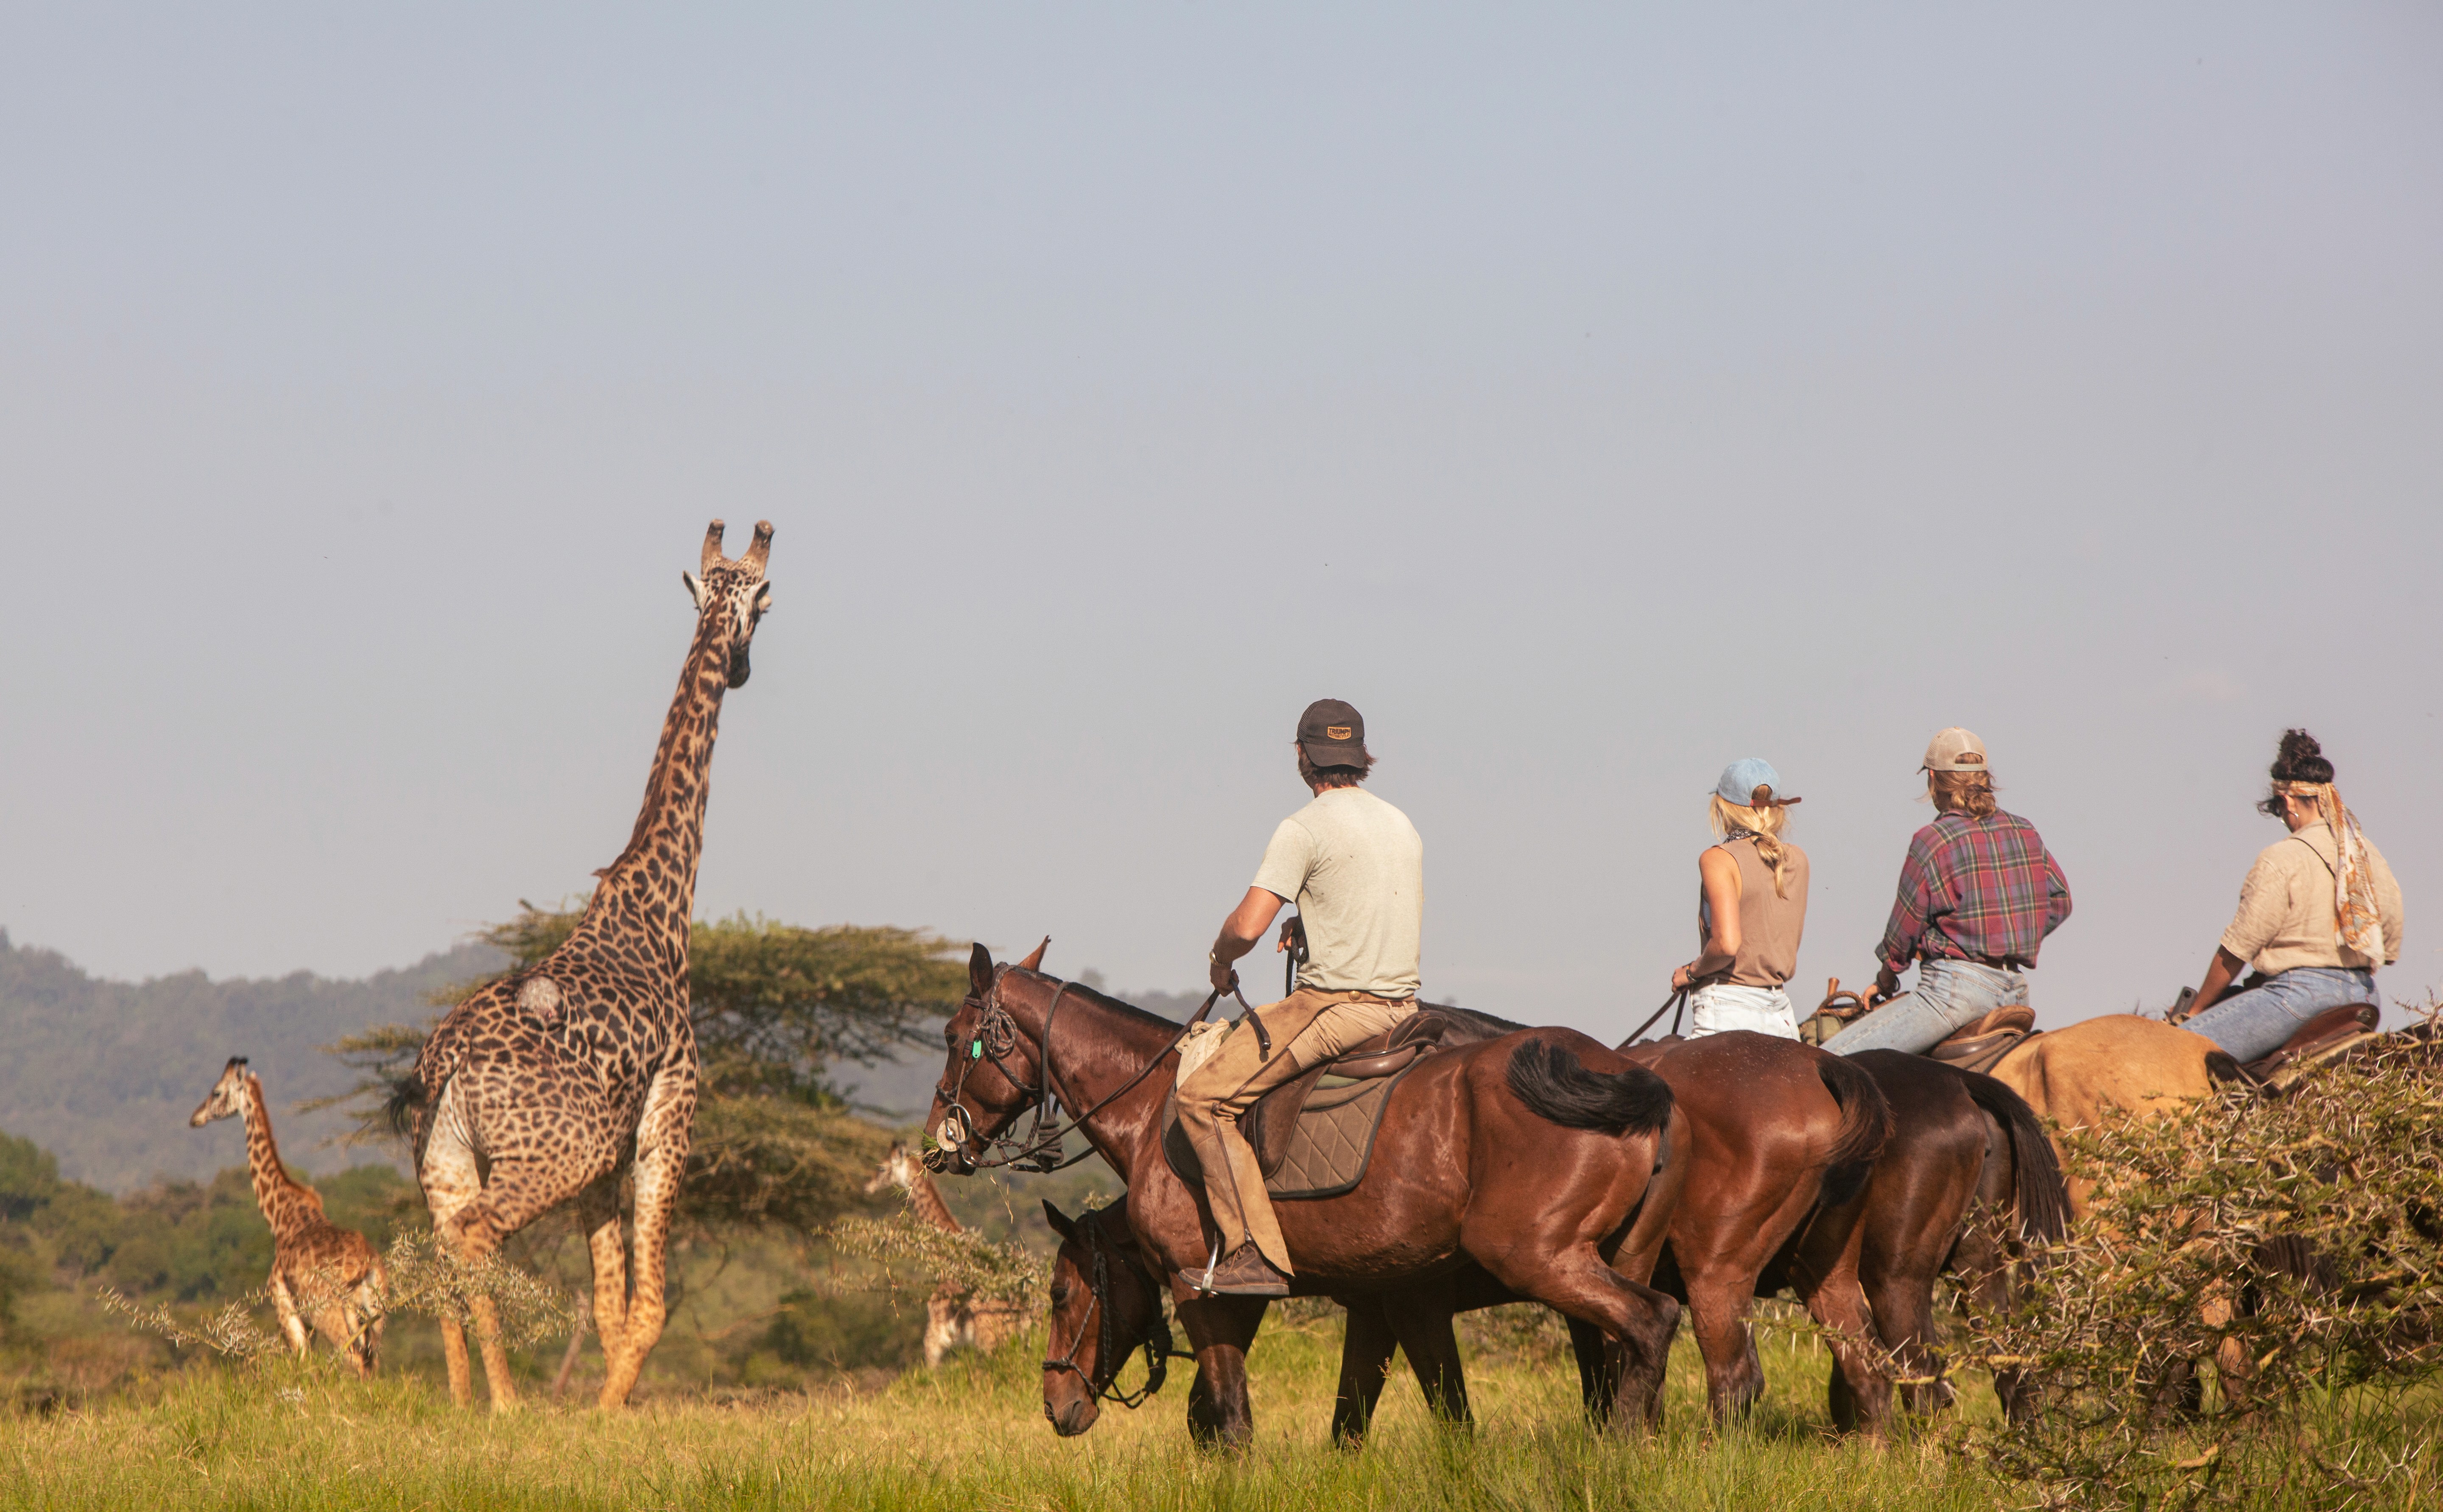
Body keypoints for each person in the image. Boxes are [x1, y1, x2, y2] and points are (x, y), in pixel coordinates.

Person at [1177, 698, 1423, 1297]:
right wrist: (1311, 926)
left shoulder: (1303, 828)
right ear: (1361, 757)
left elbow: (1248, 926)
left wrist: (1219, 959)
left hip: (1334, 1007)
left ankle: (1252, 1252)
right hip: (1405, 1007)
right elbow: (1368, 905)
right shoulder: (1401, 822)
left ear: (1301, 756)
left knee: (1200, 1100)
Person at [1825, 728, 2071, 1056]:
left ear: (1932, 779)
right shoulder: (2024, 829)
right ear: (1986, 777)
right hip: (2016, 993)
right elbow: (2060, 901)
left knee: (1829, 1063)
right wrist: (2009, 934)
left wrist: (1886, 979)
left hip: (1955, 995)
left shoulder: (1933, 840)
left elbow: (1903, 933)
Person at [2176, 730, 2404, 1062]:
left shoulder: (2281, 858)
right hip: (2364, 998)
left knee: (2175, 1051)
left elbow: (2238, 948)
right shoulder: (2369, 856)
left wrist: (2193, 1011)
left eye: (2281, 812)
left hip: (2298, 997)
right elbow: (2391, 942)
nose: (2285, 821)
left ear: (2288, 802)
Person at [1670, 759, 1808, 1039]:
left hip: (1727, 1010)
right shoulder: (1798, 859)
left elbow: (1727, 944)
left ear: (1723, 807)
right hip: (1781, 1016)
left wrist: (1692, 973)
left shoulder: (1719, 859)